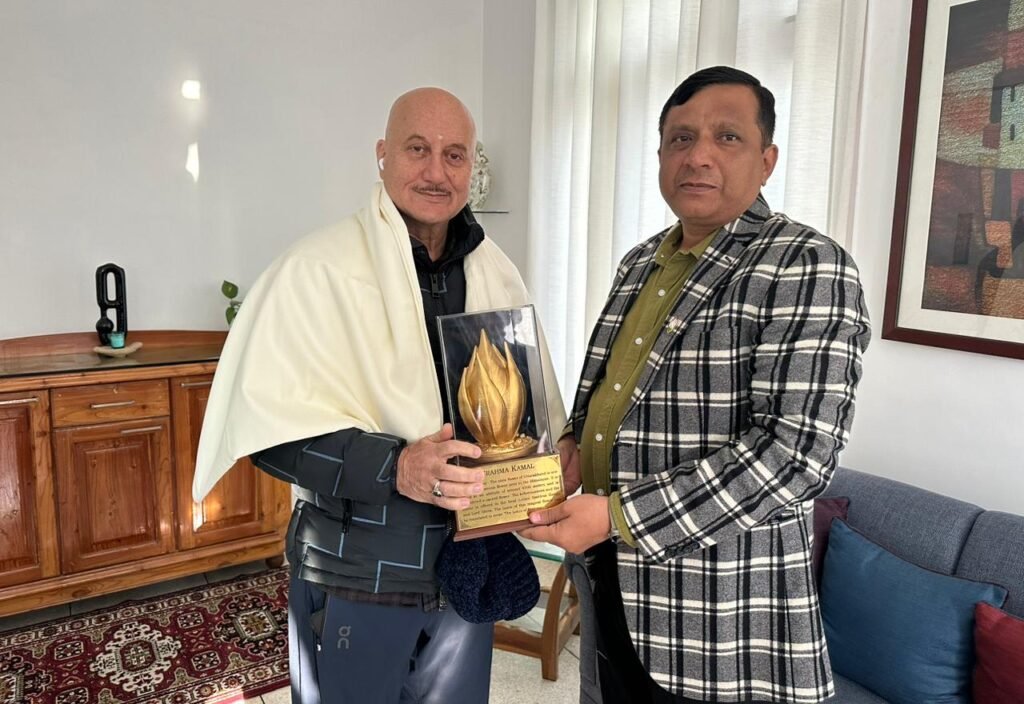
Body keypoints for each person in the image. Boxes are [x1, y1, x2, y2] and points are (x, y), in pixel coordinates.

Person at [192, 87, 564, 704]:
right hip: (356, 575)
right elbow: (268, 436)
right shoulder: (316, 270)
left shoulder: (498, 274)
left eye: (454, 155)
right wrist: (398, 467)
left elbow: (526, 416)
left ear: (471, 167)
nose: (436, 172)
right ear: (382, 154)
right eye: (418, 149)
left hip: (463, 572)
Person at [521, 66, 871, 703]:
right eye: (680, 138)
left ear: (766, 161)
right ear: (660, 156)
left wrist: (618, 516)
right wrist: (574, 442)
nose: (699, 156)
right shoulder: (639, 263)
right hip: (608, 577)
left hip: (717, 619)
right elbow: (611, 392)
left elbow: (795, 456)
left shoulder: (806, 264)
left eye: (727, 137)